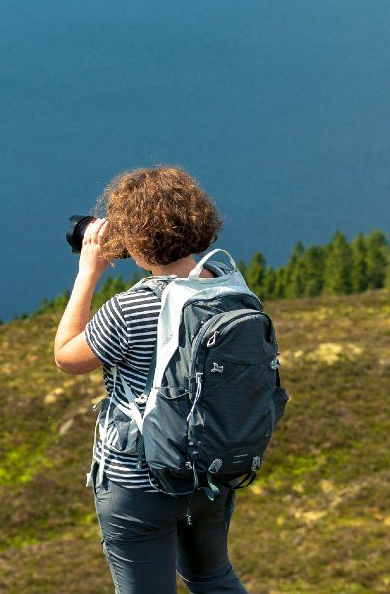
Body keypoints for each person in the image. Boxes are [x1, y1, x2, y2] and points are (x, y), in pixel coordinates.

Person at [53, 166, 249, 594]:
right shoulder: (231, 288)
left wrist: (89, 272)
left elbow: (67, 357)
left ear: (136, 241)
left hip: (137, 482)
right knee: (212, 576)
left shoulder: (129, 308)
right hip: (209, 472)